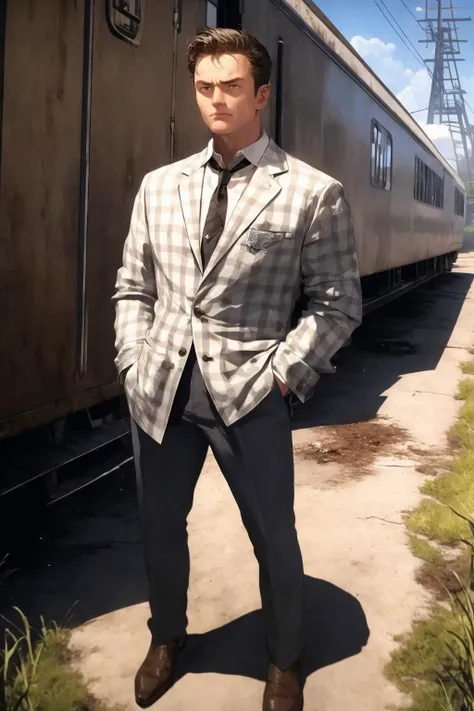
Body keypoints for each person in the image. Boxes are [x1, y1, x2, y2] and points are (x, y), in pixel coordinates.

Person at [113, 26, 362, 711]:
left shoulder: (312, 192)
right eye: (203, 87)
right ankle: (167, 637)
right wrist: (134, 362)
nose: (215, 99)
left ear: (261, 94)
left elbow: (338, 305)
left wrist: (283, 374)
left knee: (271, 533)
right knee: (159, 524)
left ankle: (285, 657)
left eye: (229, 86)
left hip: (251, 391)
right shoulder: (159, 187)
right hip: (161, 388)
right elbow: (133, 287)